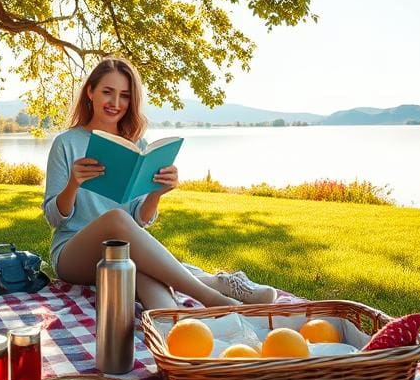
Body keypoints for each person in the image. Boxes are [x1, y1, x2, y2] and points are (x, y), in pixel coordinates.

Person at [43, 56, 277, 309]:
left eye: (124, 96)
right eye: (107, 92)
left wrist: (157, 192)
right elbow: (54, 218)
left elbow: (140, 219)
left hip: (123, 254)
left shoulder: (137, 145)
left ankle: (173, 318)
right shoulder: (66, 143)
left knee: (142, 271)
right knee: (116, 220)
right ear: (90, 91)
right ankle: (212, 294)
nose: (115, 103)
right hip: (73, 254)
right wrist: (73, 184)